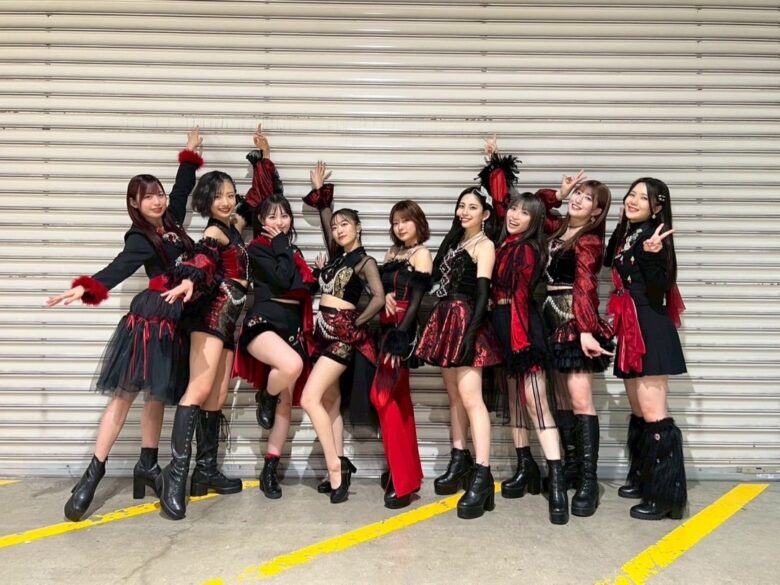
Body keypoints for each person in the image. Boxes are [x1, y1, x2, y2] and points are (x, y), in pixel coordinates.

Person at [46, 128, 203, 521]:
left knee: (157, 396)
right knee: (125, 396)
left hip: (174, 319)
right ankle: (91, 477)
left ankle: (147, 465)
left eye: (158, 193)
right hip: (150, 319)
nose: (157, 200)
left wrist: (189, 155)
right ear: (134, 203)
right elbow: (115, 270)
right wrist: (82, 289)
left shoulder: (172, 221)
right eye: (148, 196)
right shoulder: (140, 237)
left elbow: (182, 191)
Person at [157, 164, 250, 520]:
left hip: (229, 320)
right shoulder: (214, 230)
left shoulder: (233, 226)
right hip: (210, 316)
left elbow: (256, 200)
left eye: (230, 195)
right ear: (206, 201)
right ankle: (175, 476)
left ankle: (205, 470)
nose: (226, 201)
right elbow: (203, 259)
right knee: (198, 391)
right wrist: (189, 281)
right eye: (218, 196)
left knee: (217, 396)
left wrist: (263, 160)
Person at [233, 127, 316, 499]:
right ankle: (264, 396)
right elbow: (283, 280)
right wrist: (281, 245)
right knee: (291, 368)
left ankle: (270, 468)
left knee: (287, 404)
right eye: (273, 216)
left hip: (292, 327)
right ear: (261, 220)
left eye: (285, 216)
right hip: (263, 324)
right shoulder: (257, 249)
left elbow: (304, 287)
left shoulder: (291, 251)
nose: (280, 221)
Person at [300, 162, 385, 504]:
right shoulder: (335, 260)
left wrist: (356, 324)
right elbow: (326, 220)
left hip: (341, 338)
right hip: (321, 335)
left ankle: (336, 469)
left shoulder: (365, 262)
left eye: (344, 224)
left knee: (309, 398)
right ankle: (337, 463)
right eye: (335, 227)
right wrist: (320, 194)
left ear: (358, 228)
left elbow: (378, 299)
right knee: (330, 402)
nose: (338, 230)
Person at [416, 186, 502, 520]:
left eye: (472, 207)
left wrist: (472, 333)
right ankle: (459, 458)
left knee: (471, 399)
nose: (464, 211)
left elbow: (482, 293)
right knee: (454, 396)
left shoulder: (485, 245)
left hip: (466, 320)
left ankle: (482, 473)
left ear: (485, 214)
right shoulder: (454, 242)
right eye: (461, 206)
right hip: (446, 319)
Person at [604, 177, 687, 520]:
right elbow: (607, 260)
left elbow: (658, 290)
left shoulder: (656, 237)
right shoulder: (630, 234)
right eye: (631, 194)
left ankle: (666, 497)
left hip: (649, 328)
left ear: (657, 207)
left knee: (655, 415)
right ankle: (644, 478)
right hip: (630, 327)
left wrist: (653, 257)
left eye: (643, 197)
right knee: (639, 411)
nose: (633, 200)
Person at [537, 169, 613, 518]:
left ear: (597, 211)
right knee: (562, 399)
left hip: (572, 319)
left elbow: (585, 285)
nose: (579, 199)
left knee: (581, 401)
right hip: (551, 317)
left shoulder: (589, 240)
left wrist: (585, 329)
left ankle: (588, 481)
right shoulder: (558, 228)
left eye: (587, 198)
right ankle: (569, 467)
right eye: (578, 194)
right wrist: (559, 193)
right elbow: (535, 208)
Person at [370, 200, 432, 509]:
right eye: (395, 222)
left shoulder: (421, 253)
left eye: (405, 220)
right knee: (399, 402)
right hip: (385, 327)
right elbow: (383, 290)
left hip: (401, 332)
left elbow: (417, 301)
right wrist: (385, 297)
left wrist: (399, 339)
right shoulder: (392, 253)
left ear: (418, 222)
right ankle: (407, 472)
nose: (400, 227)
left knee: (381, 397)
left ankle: (403, 481)